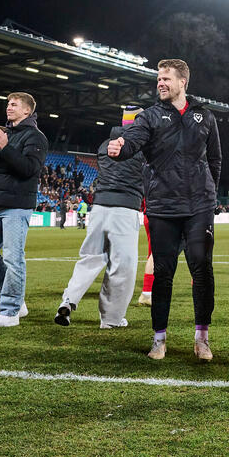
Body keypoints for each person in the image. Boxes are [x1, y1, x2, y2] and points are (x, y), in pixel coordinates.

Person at [108, 60, 221, 362]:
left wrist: (209, 192)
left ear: (183, 82)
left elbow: (215, 159)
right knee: (163, 273)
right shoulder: (149, 116)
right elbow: (133, 141)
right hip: (163, 206)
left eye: (166, 78)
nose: (160, 83)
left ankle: (202, 338)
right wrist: (121, 146)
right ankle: (159, 339)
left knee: (202, 268)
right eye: (158, 78)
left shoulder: (205, 115)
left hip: (199, 206)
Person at [55, 114, 144, 329]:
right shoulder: (142, 146)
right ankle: (111, 319)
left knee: (90, 258)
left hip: (100, 206)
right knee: (122, 266)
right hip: (125, 209)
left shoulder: (105, 144)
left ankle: (68, 301)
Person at [0, 93, 48, 328]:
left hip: (16, 206)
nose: (9, 107)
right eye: (8, 103)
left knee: (12, 258)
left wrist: (6, 148)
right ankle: (17, 302)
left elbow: (29, 169)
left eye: (14, 104)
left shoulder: (36, 137)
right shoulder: (5, 134)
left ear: (27, 111)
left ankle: (10, 311)